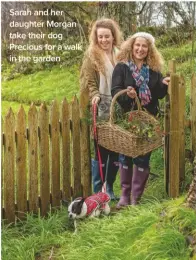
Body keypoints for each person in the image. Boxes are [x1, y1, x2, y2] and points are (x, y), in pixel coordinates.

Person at [111, 32, 170, 208]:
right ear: (131, 46)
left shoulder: (153, 70)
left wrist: (163, 84)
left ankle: (136, 198)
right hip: (128, 119)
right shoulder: (121, 68)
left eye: (144, 46)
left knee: (143, 157)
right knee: (125, 155)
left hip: (149, 119)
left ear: (149, 50)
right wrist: (128, 96)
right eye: (137, 45)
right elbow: (115, 90)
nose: (140, 49)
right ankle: (124, 196)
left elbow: (158, 95)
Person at [80, 18, 123, 200]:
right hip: (100, 108)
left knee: (116, 149)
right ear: (96, 38)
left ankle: (110, 188)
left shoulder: (120, 54)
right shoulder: (92, 55)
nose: (104, 40)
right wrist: (94, 94)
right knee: (100, 150)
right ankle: (98, 191)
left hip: (118, 108)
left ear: (113, 36)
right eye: (100, 37)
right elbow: (88, 79)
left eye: (107, 36)